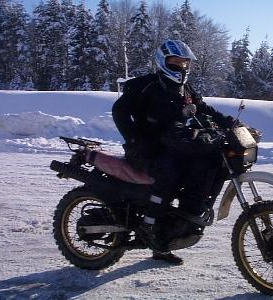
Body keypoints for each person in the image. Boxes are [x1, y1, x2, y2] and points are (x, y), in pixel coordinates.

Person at [112, 39, 238, 265]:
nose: (182, 67)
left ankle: (169, 235)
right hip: (146, 149)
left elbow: (204, 109)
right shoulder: (146, 85)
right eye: (176, 62)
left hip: (174, 143)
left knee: (202, 165)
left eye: (185, 63)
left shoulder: (185, 89)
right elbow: (119, 111)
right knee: (170, 172)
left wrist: (231, 123)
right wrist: (133, 139)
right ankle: (149, 225)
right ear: (163, 61)